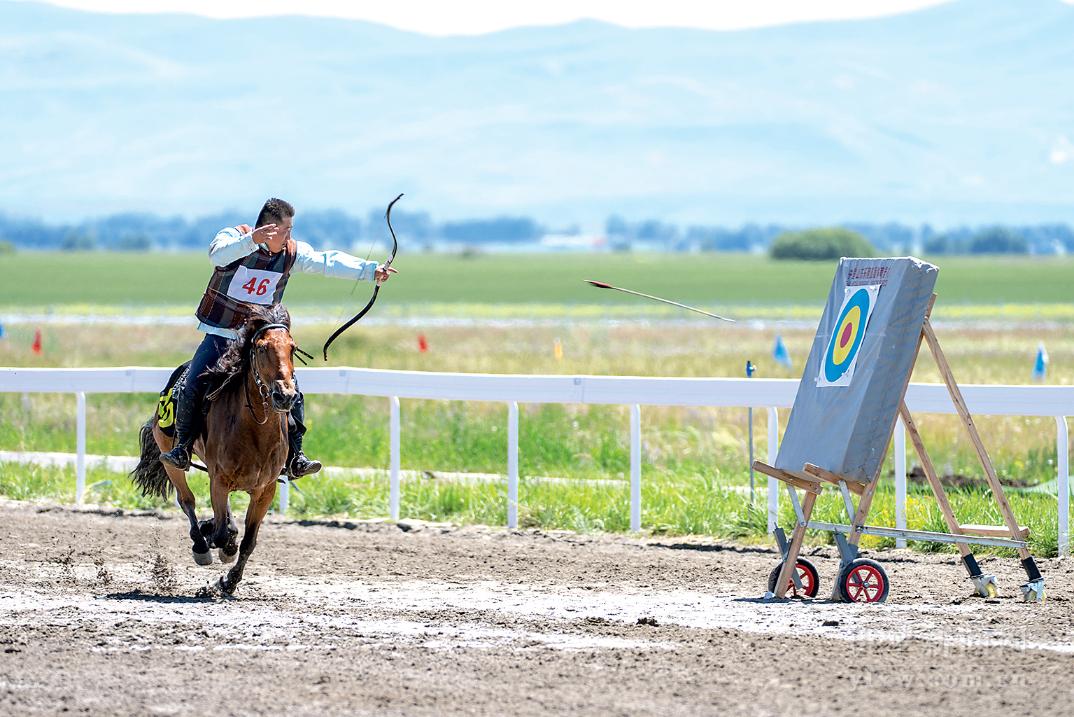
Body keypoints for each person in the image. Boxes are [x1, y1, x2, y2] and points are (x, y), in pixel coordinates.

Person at [160, 197, 396, 478]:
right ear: (269, 229)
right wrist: (250, 240)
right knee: (194, 383)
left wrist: (370, 271)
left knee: (290, 387)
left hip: (260, 341)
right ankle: (183, 447)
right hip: (222, 335)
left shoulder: (291, 253)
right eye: (285, 231)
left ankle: (296, 456)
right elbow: (216, 255)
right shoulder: (233, 238)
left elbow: (326, 261)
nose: (289, 237)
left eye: (290, 231)